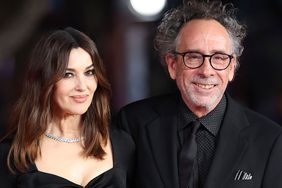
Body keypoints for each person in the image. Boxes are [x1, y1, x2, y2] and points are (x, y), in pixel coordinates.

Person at [115, 0, 282, 188]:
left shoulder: (270, 139)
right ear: (172, 65)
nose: (206, 70)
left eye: (219, 58)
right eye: (194, 57)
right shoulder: (133, 123)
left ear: (232, 68)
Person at [0, 27, 134, 187]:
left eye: (89, 72)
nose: (82, 86)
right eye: (68, 74)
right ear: (44, 81)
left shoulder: (122, 142)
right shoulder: (11, 155)